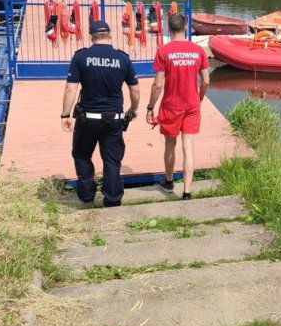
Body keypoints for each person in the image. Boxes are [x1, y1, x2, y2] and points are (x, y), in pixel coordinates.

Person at [61, 20, 140, 207]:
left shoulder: (81, 57)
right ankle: (112, 200)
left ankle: (87, 195)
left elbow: (71, 89)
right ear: (110, 35)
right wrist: (133, 109)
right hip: (114, 120)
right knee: (112, 160)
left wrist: (65, 115)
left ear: (91, 36)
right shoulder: (122, 58)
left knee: (81, 156)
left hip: (87, 119)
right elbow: (134, 90)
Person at [146, 13, 209, 200]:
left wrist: (150, 107)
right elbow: (205, 81)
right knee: (188, 146)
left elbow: (158, 84)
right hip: (191, 104)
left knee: (170, 145)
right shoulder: (198, 51)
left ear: (168, 28)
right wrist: (199, 99)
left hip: (171, 105)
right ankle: (187, 192)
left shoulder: (164, 51)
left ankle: (169, 181)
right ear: (185, 26)